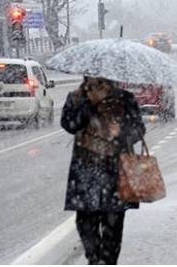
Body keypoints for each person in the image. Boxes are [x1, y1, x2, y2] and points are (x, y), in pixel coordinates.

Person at [61, 77, 146, 265]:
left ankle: (107, 262)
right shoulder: (77, 98)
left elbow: (139, 129)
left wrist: (119, 135)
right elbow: (69, 125)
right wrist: (90, 106)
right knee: (85, 224)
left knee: (113, 229)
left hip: (115, 173)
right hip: (85, 172)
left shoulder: (124, 99)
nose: (97, 81)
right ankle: (94, 259)